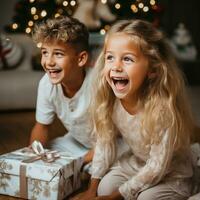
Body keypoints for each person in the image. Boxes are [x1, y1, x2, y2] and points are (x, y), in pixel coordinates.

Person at [71, 19, 195, 200]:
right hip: (137, 163)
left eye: (127, 59)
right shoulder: (110, 101)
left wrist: (117, 196)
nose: (116, 66)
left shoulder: (161, 111)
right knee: (104, 188)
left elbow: (157, 167)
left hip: (171, 171)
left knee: (145, 198)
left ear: (152, 69)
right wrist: (92, 188)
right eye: (110, 57)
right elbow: (105, 144)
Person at [29, 16, 94, 165]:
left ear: (81, 59)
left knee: (101, 175)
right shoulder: (46, 84)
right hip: (77, 141)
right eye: (45, 53)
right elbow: (42, 126)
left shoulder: (98, 85)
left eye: (58, 54)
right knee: (50, 155)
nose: (49, 62)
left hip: (111, 146)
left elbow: (109, 142)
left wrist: (75, 164)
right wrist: (33, 159)